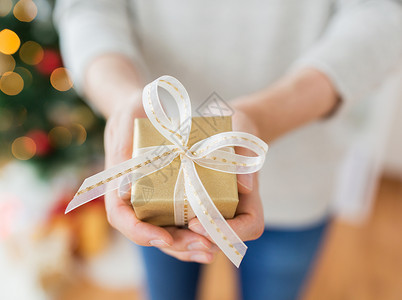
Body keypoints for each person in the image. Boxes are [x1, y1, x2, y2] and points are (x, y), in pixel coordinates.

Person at [53, 1, 402, 299]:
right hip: (153, 172)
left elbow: (382, 16)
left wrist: (265, 115)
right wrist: (121, 100)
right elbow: (88, 7)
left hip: (299, 176)